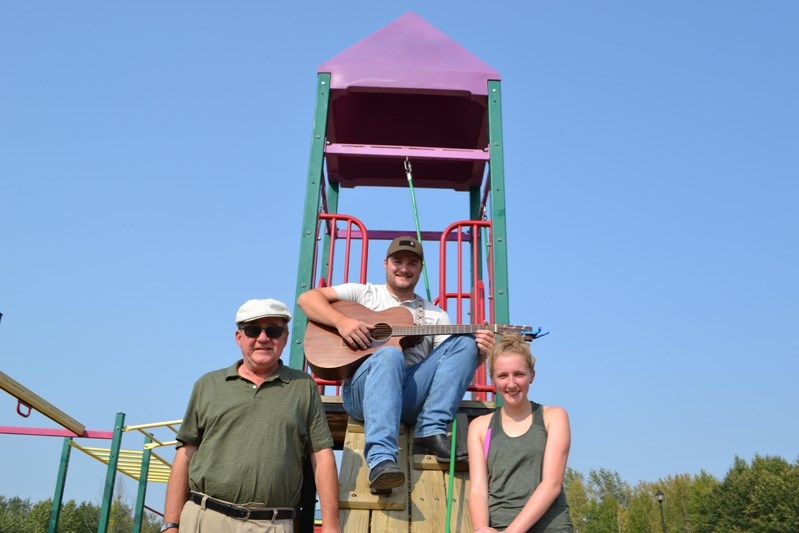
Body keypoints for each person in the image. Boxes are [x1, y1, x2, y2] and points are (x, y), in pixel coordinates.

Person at [297, 236, 495, 492]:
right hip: (364, 395)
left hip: (411, 397)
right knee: (389, 355)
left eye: (412, 263)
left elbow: (446, 369)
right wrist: (342, 322)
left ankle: (430, 429)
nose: (404, 268)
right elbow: (307, 299)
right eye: (397, 261)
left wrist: (479, 355)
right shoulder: (364, 293)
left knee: (466, 341)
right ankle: (381, 461)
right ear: (385, 264)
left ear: (420, 268)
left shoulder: (435, 314)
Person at [162, 298, 341, 533]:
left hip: (272, 525)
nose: (263, 338)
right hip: (205, 520)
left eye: (273, 331)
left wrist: (331, 524)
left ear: (285, 338)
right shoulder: (208, 385)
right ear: (239, 338)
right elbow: (185, 455)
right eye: (253, 330)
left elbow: (322, 455)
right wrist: (170, 524)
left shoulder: (303, 387)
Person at [468, 333, 573, 533]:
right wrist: (482, 528)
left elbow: (552, 484)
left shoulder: (553, 417)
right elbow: (478, 490)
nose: (511, 383)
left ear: (532, 375)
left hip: (549, 527)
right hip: (500, 525)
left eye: (519, 374)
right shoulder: (480, 427)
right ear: (493, 379)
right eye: (502, 376)